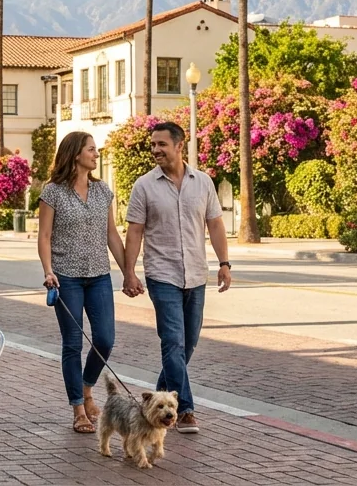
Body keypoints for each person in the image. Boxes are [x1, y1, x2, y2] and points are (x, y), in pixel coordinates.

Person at [121, 121, 231, 435]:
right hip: (162, 274)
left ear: (179, 145)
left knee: (188, 344)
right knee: (172, 343)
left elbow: (216, 225)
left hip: (196, 274)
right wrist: (130, 272)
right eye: (152, 144)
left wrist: (225, 263)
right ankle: (184, 410)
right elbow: (135, 232)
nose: (155, 150)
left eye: (161, 144)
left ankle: (153, 403)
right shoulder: (144, 186)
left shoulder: (204, 182)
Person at [38, 131, 131, 434]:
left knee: (104, 339)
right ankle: (78, 408)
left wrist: (128, 271)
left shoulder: (103, 190)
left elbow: (112, 235)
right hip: (65, 278)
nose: (97, 154)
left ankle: (87, 387)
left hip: (99, 275)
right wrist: (48, 270)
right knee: (73, 343)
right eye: (92, 149)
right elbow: (45, 236)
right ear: (76, 153)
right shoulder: (53, 191)